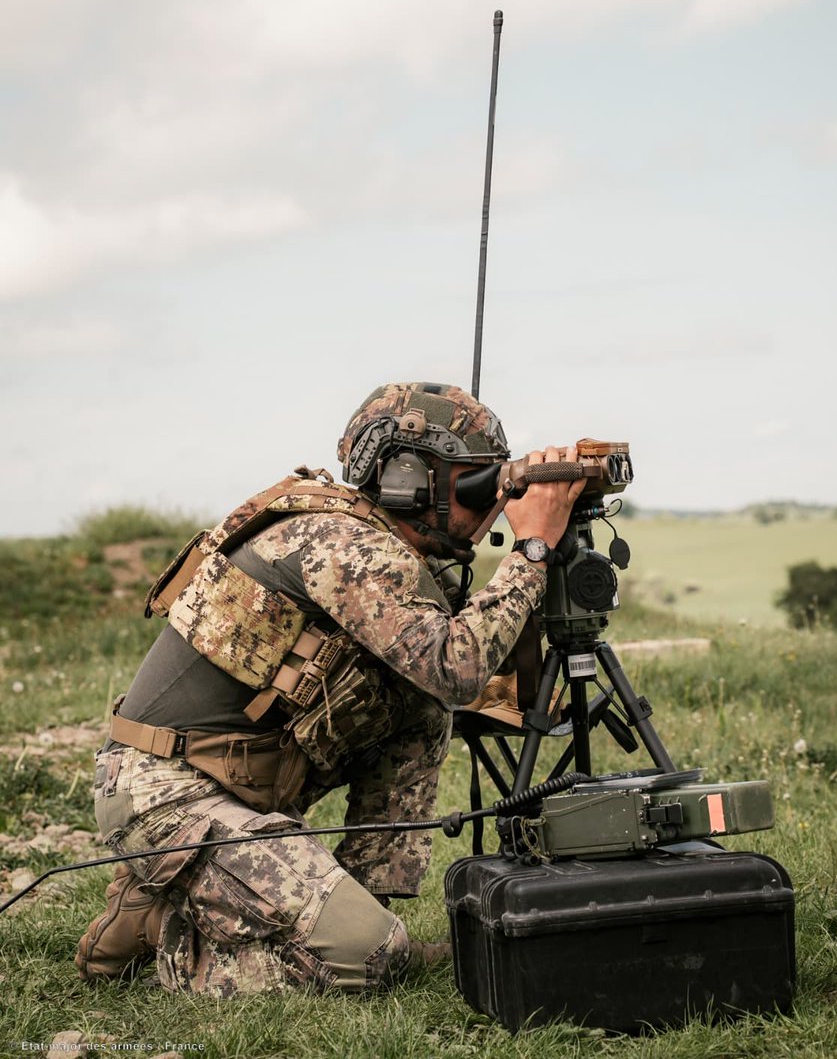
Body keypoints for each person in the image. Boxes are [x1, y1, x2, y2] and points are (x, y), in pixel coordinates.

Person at [75, 382, 585, 996]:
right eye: (474, 485)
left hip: (244, 782)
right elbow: (458, 666)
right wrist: (533, 549)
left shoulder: (385, 546)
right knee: (367, 961)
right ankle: (166, 931)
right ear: (408, 479)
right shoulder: (340, 544)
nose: (492, 507)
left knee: (418, 707)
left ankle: (362, 911)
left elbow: (446, 684)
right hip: (165, 792)